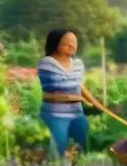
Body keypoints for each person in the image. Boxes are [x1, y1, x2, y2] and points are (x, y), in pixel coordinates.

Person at [37, 29, 105, 157]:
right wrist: (80, 99)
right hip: (56, 114)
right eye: (67, 43)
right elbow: (56, 91)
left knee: (84, 144)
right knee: (58, 148)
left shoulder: (78, 64)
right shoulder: (47, 63)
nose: (72, 46)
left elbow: (79, 85)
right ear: (56, 44)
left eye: (74, 42)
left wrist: (96, 103)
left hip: (77, 113)